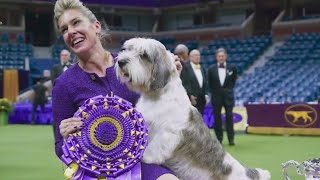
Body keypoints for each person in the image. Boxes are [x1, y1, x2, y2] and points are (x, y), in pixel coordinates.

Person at [52, 0, 180, 179]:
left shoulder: (133, 65)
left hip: (142, 163)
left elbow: (165, 113)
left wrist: (170, 78)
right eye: (64, 29)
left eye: (76, 22)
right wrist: (66, 137)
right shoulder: (64, 85)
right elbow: (59, 146)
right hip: (97, 172)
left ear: (96, 26)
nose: (71, 32)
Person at [207, 48, 238, 146]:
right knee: (217, 119)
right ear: (216, 57)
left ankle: (231, 139)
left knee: (229, 117)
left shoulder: (232, 67)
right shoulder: (211, 69)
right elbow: (209, 83)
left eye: (223, 56)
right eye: (219, 56)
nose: (221, 58)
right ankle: (219, 139)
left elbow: (234, 81)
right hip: (216, 97)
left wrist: (228, 90)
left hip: (228, 97)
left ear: (226, 57)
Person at [182, 49, 208, 115]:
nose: (198, 57)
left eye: (199, 55)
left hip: (202, 99)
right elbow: (185, 83)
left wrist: (206, 94)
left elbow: (205, 82)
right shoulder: (185, 68)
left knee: (201, 118)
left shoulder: (202, 68)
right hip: (192, 99)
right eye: (196, 55)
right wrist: (190, 95)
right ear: (190, 57)